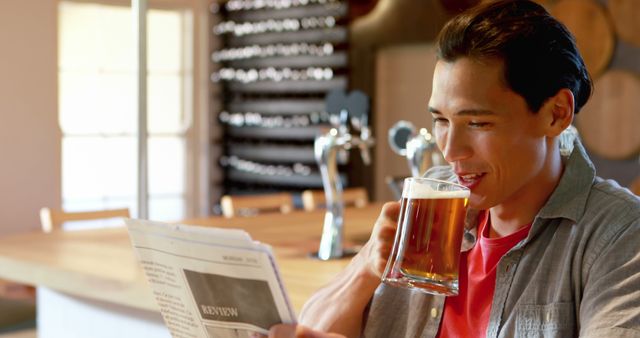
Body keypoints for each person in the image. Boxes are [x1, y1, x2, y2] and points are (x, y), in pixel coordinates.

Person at [270, 0, 640, 337]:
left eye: (477, 123)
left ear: (556, 113)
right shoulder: (434, 198)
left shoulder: (619, 235)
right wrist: (367, 264)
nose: (450, 151)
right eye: (441, 120)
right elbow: (311, 328)